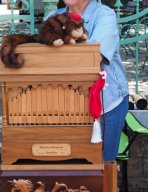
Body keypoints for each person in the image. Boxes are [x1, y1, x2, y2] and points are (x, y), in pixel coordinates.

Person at [47, 0, 129, 161]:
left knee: (101, 168)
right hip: (66, 105)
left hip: (105, 104)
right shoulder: (53, 17)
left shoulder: (104, 15)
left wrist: (53, 56)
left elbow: (92, 56)